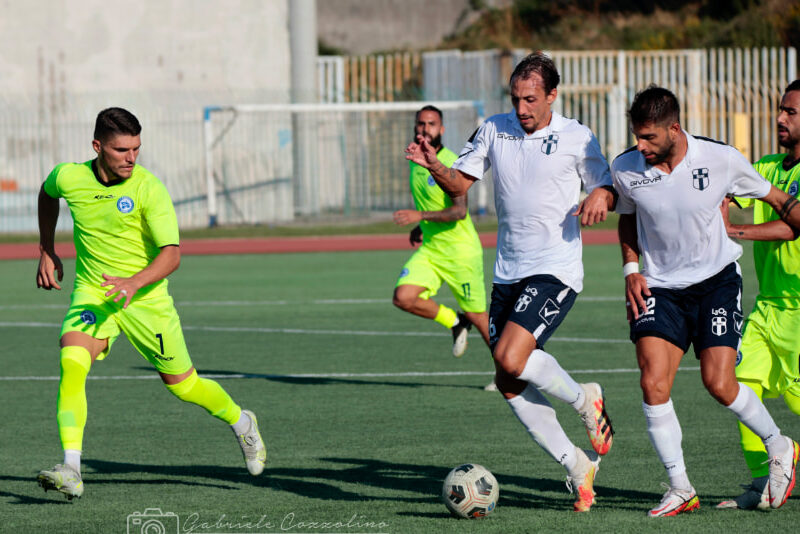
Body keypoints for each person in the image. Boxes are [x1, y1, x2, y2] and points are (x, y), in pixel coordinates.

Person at [406, 52, 616, 512]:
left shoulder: (576, 136)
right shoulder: (493, 128)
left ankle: (584, 401)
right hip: (508, 270)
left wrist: (600, 195)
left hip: (556, 269)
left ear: (552, 96)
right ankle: (575, 465)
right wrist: (432, 166)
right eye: (515, 98)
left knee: (510, 355)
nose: (521, 108)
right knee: (507, 378)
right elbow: (459, 184)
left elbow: (605, 184)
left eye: (531, 99)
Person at [35, 108, 266, 500]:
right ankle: (71, 468)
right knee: (72, 360)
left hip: (147, 302)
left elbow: (172, 255)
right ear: (97, 147)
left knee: (184, 386)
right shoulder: (69, 176)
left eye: (136, 149)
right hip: (95, 294)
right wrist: (46, 248)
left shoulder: (148, 188)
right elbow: (47, 193)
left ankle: (241, 421)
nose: (131, 157)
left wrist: (133, 283)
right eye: (121, 149)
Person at [612, 85, 799, 517]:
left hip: (715, 281)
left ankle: (779, 444)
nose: (640, 146)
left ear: (674, 129)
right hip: (659, 286)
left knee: (719, 383)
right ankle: (680, 488)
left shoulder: (721, 159)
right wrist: (630, 269)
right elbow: (627, 220)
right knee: (652, 381)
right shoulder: (626, 168)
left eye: (649, 138)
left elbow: (774, 198)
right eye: (636, 137)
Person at [716, 80, 800, 510]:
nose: (780, 119)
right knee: (739, 384)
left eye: (791, 112)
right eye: (780, 110)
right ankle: (766, 479)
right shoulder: (766, 166)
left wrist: (735, 231)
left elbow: (794, 224)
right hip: (768, 306)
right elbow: (732, 193)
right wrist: (721, 198)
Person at [392, 105, 490, 360]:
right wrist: (420, 226)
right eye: (421, 124)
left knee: (479, 318)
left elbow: (459, 211)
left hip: (460, 253)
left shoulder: (450, 162)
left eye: (432, 124)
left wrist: (420, 217)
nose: (426, 128)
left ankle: (510, 372)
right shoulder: (415, 159)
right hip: (433, 249)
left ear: (442, 129)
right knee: (404, 297)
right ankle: (455, 322)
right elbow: (433, 204)